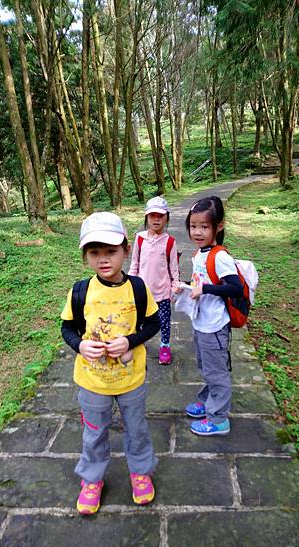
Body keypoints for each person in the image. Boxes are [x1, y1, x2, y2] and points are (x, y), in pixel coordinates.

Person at [61, 212, 160, 515]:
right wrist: (80, 345)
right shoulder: (81, 291)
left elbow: (154, 323)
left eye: (111, 251)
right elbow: (66, 328)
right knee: (94, 432)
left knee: (137, 429)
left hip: (131, 380)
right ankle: (92, 479)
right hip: (93, 382)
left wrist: (130, 341)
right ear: (86, 256)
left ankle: (140, 471)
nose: (103, 260)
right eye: (95, 253)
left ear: (126, 250)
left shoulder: (138, 289)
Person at [174, 196, 243, 436]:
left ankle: (218, 418)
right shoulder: (199, 254)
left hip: (214, 326)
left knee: (217, 372)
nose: (198, 232)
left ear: (219, 226)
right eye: (193, 226)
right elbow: (200, 282)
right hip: (202, 322)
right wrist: (184, 286)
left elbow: (235, 288)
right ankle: (208, 400)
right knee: (206, 366)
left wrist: (205, 289)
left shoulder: (220, 256)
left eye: (204, 226)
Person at [128, 196, 179, 365]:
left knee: (164, 322)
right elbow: (135, 262)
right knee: (139, 321)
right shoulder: (140, 238)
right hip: (142, 291)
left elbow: (173, 268)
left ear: (167, 218)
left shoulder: (170, 242)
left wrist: (174, 287)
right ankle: (139, 343)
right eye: (152, 215)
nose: (156, 219)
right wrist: (130, 283)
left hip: (162, 292)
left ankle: (164, 346)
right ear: (146, 217)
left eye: (161, 216)